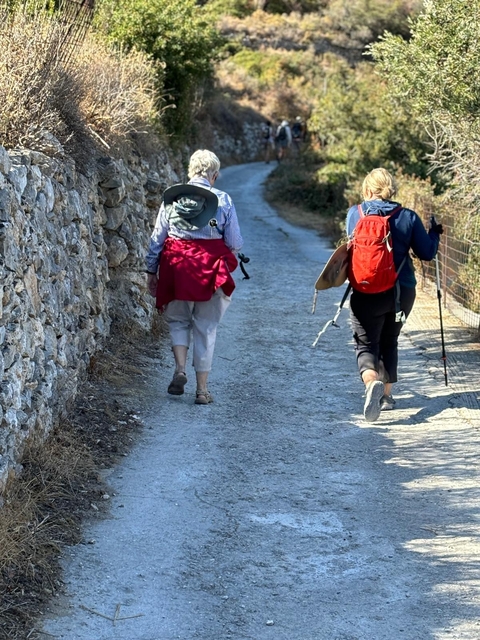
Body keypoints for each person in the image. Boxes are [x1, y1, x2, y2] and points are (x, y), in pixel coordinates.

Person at [145, 149, 243, 405]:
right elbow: (234, 242)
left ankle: (179, 370)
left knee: (178, 321)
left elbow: (158, 239)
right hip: (210, 271)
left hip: (175, 269)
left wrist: (150, 271)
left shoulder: (172, 200)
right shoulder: (223, 200)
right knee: (206, 328)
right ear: (214, 175)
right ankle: (202, 391)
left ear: (191, 171)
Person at [346, 168, 443, 422]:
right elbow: (427, 253)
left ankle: (371, 384)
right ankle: (386, 396)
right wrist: (434, 233)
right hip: (402, 292)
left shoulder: (354, 214)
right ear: (392, 189)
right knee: (390, 339)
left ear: (367, 190)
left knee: (366, 343)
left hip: (365, 291)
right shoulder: (407, 217)